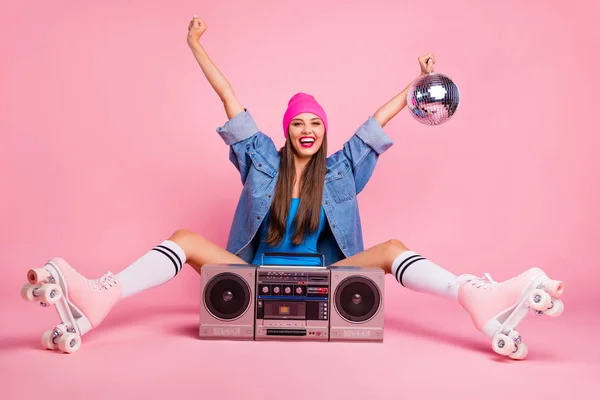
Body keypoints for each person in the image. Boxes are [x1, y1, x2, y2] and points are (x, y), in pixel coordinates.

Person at [21, 16, 564, 359]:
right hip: (254, 281)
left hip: (327, 281)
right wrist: (194, 46)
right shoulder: (259, 158)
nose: (308, 130)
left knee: (393, 250)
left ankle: (473, 294)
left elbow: (379, 121)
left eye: (316, 124)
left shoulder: (344, 168)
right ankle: (100, 294)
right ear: (287, 130)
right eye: (299, 123)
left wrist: (418, 82)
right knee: (185, 236)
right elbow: (229, 97)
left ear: (324, 131)